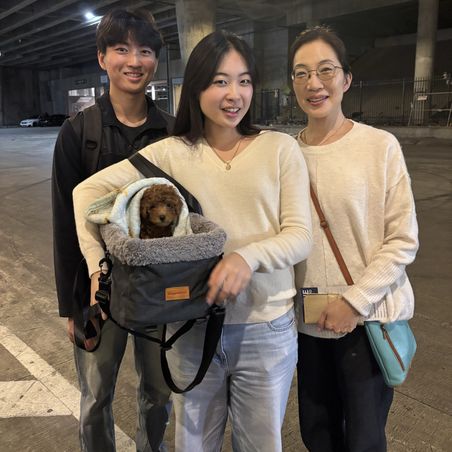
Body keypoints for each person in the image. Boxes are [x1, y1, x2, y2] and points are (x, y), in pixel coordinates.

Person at [72, 30, 313, 451]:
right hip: (189, 328)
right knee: (193, 444)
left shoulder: (279, 149)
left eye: (244, 81)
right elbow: (85, 194)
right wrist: (99, 267)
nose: (234, 94)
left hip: (266, 328)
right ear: (196, 87)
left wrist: (247, 258)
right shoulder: (170, 153)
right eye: (220, 81)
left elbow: (300, 235)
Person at [290, 26, 419, 452]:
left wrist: (354, 302)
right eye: (302, 73)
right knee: (317, 433)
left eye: (325, 70)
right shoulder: (285, 154)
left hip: (367, 321)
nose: (314, 83)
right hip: (307, 325)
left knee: (364, 439)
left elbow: (403, 239)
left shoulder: (379, 146)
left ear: (346, 79)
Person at [51, 8, 174, 452]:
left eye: (144, 51)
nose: (134, 61)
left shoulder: (173, 133)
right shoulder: (78, 132)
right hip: (97, 290)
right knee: (96, 395)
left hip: (158, 289)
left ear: (155, 60)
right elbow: (65, 225)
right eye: (122, 49)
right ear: (102, 58)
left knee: (158, 393)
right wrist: (72, 305)